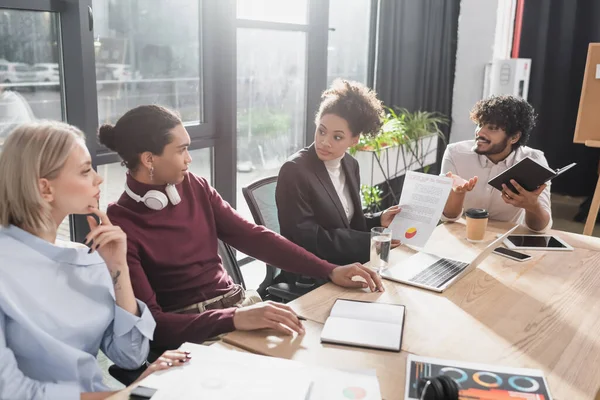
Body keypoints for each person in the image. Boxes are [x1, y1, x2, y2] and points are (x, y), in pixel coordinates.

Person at [100, 105, 384, 349]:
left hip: (241, 305)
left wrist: (329, 270)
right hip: (196, 333)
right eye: (182, 150)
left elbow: (255, 238)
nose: (189, 158)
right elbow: (156, 325)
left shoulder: (194, 186)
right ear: (149, 159)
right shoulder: (120, 223)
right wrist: (234, 318)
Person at [0, 121, 187, 400]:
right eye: (86, 170)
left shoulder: (86, 257)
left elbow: (131, 357)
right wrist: (126, 395)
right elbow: (12, 393)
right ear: (45, 189)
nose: (98, 179)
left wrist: (118, 268)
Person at [276, 79, 401, 265]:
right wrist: (370, 242)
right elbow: (307, 239)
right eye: (321, 131)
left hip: (346, 263)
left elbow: (345, 223)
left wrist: (378, 221)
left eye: (337, 137)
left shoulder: (350, 165)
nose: (325, 142)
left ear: (354, 140)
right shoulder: (295, 171)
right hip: (312, 272)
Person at [441, 95, 552, 232]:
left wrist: (532, 206)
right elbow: (448, 218)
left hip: (506, 239)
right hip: (463, 234)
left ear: (514, 137)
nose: (479, 132)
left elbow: (540, 228)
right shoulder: (455, 153)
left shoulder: (534, 160)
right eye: (480, 125)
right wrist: (458, 193)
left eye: (492, 128)